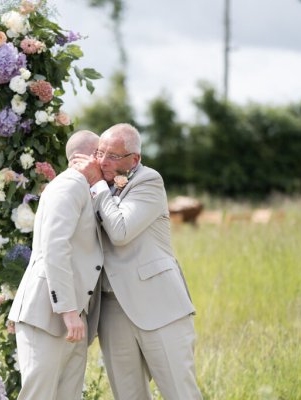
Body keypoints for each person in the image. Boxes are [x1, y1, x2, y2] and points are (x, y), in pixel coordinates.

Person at [72, 123, 203, 400]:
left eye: (113, 156)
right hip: (111, 308)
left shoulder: (148, 181)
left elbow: (120, 232)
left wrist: (96, 184)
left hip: (158, 304)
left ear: (134, 159)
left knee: (180, 392)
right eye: (100, 153)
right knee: (128, 395)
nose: (102, 161)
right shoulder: (94, 185)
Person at [8, 130, 104, 400]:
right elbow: (55, 247)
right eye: (103, 154)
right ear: (90, 156)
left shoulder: (85, 187)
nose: (108, 163)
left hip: (69, 313)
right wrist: (69, 311)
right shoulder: (70, 184)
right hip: (49, 312)